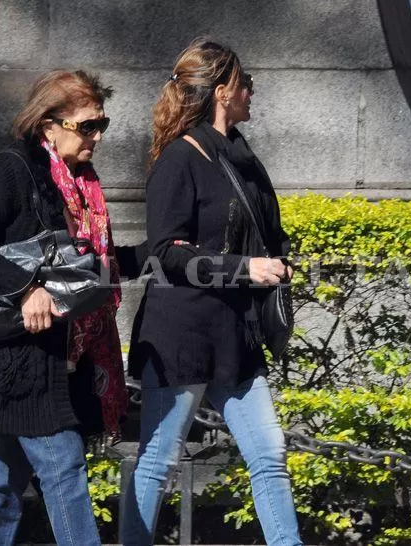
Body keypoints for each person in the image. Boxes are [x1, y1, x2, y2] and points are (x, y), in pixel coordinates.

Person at [0, 69, 145, 545]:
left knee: (2, 484)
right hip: (20, 357)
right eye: (87, 125)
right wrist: (26, 289)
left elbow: (88, 267)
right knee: (64, 469)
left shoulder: (80, 184)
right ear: (48, 125)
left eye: (102, 124)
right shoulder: (11, 170)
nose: (97, 136)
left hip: (61, 356)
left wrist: (161, 252)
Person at [121, 39, 303, 546]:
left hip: (236, 335)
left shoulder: (242, 158)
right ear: (222, 91)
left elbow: (264, 232)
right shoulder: (180, 158)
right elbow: (164, 253)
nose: (252, 91)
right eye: (245, 83)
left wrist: (276, 262)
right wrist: (245, 268)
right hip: (182, 336)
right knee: (159, 462)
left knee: (269, 456)